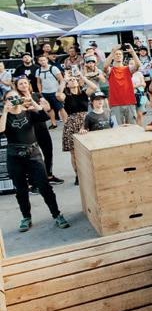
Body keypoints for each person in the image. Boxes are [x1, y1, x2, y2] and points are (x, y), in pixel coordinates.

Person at [0, 93, 70, 231]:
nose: (14, 100)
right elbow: (1, 130)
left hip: (33, 154)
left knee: (44, 186)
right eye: (10, 98)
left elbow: (44, 116)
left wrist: (31, 101)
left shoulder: (29, 113)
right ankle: (26, 217)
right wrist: (5, 111)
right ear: (4, 101)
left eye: (16, 97)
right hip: (14, 156)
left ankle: (57, 214)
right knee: (21, 189)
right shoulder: (5, 116)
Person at [14, 76, 61, 182]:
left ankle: (49, 175)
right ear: (17, 87)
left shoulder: (36, 95)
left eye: (25, 83)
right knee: (32, 156)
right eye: (20, 84)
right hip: (29, 130)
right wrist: (38, 107)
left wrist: (32, 108)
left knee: (48, 152)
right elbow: (20, 111)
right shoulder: (17, 98)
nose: (23, 85)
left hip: (42, 127)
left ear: (29, 84)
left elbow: (47, 107)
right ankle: (33, 180)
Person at [57, 74, 90, 184]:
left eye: (74, 79)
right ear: (68, 85)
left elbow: (94, 87)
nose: (73, 81)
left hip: (86, 123)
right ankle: (78, 175)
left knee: (89, 150)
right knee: (74, 152)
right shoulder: (66, 96)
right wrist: (63, 81)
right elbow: (58, 95)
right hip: (71, 124)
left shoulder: (84, 94)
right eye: (70, 80)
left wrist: (83, 77)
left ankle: (89, 172)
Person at [104, 44, 141, 125]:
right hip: (115, 104)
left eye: (120, 54)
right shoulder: (111, 70)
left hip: (129, 102)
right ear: (113, 57)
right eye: (116, 54)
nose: (118, 55)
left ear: (123, 56)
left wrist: (133, 52)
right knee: (117, 128)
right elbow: (105, 67)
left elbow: (138, 65)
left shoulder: (128, 69)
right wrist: (112, 52)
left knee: (133, 127)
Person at [35, 52, 64, 127]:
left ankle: (66, 123)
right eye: (40, 60)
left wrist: (60, 91)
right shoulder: (38, 71)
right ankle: (54, 123)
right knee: (49, 109)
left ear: (47, 60)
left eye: (44, 60)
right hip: (45, 93)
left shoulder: (53, 68)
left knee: (61, 108)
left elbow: (61, 79)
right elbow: (38, 82)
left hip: (55, 92)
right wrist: (40, 92)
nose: (42, 62)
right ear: (38, 62)